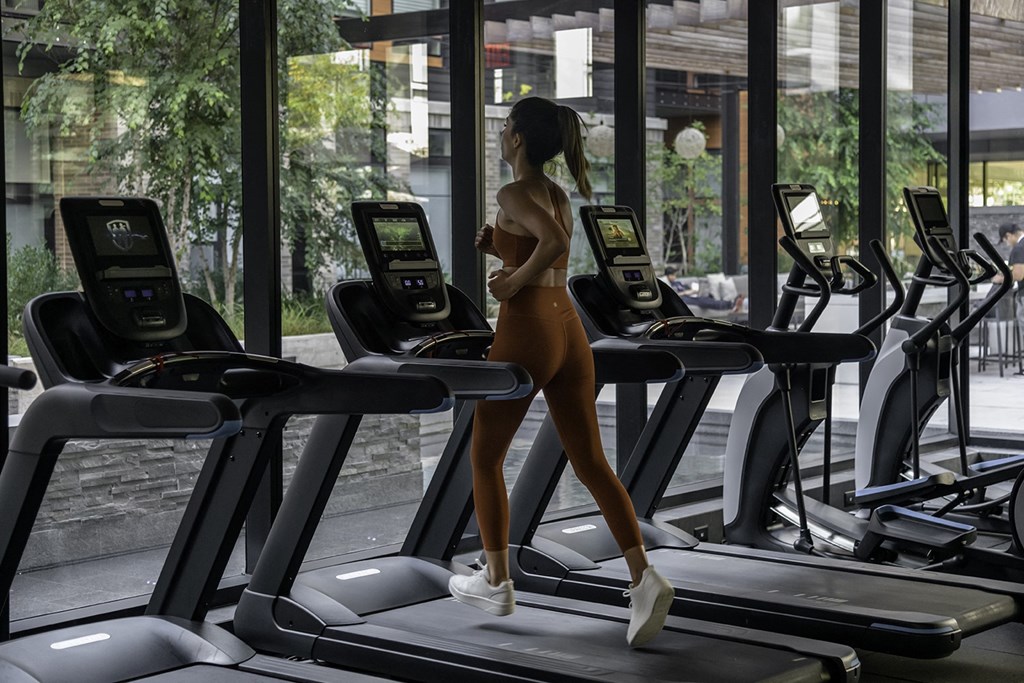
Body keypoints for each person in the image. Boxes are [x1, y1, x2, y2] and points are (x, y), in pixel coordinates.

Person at [447, 96, 674, 647]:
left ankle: (497, 579)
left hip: (528, 329)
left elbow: (553, 244)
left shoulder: (512, 190)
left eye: (504, 129)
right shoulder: (554, 191)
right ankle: (643, 576)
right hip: (570, 331)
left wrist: (515, 278)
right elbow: (542, 239)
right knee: (592, 460)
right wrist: (496, 247)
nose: (501, 137)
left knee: (485, 456)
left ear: (518, 138)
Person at [662, 266, 744, 314]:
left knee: (708, 299)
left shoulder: (678, 283)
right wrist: (685, 292)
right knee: (703, 302)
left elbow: (688, 288)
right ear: (668, 276)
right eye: (673, 275)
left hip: (692, 295)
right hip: (684, 299)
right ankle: (731, 305)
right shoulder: (670, 285)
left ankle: (731, 304)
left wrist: (693, 290)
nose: (674, 276)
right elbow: (674, 295)